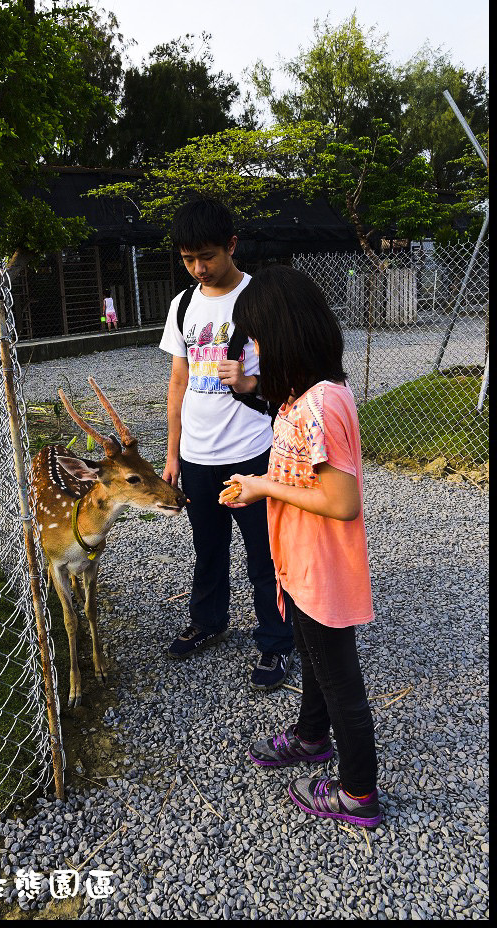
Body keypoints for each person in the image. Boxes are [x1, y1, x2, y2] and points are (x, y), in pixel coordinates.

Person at [222, 264, 382, 828]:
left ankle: (359, 792)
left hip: (322, 567)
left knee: (341, 683)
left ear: (285, 335)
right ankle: (313, 737)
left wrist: (264, 485)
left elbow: (342, 501)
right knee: (315, 662)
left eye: (259, 339)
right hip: (302, 564)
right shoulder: (302, 397)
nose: (256, 351)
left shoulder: (320, 403)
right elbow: (297, 458)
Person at [159, 198, 294, 689]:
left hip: (253, 450)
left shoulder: (263, 299)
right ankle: (209, 621)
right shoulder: (183, 305)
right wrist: (172, 454)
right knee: (207, 546)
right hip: (197, 454)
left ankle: (277, 643)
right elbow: (178, 381)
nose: (198, 268)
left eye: (207, 257)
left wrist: (250, 382)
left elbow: (293, 375)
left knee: (265, 553)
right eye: (188, 259)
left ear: (232, 246)